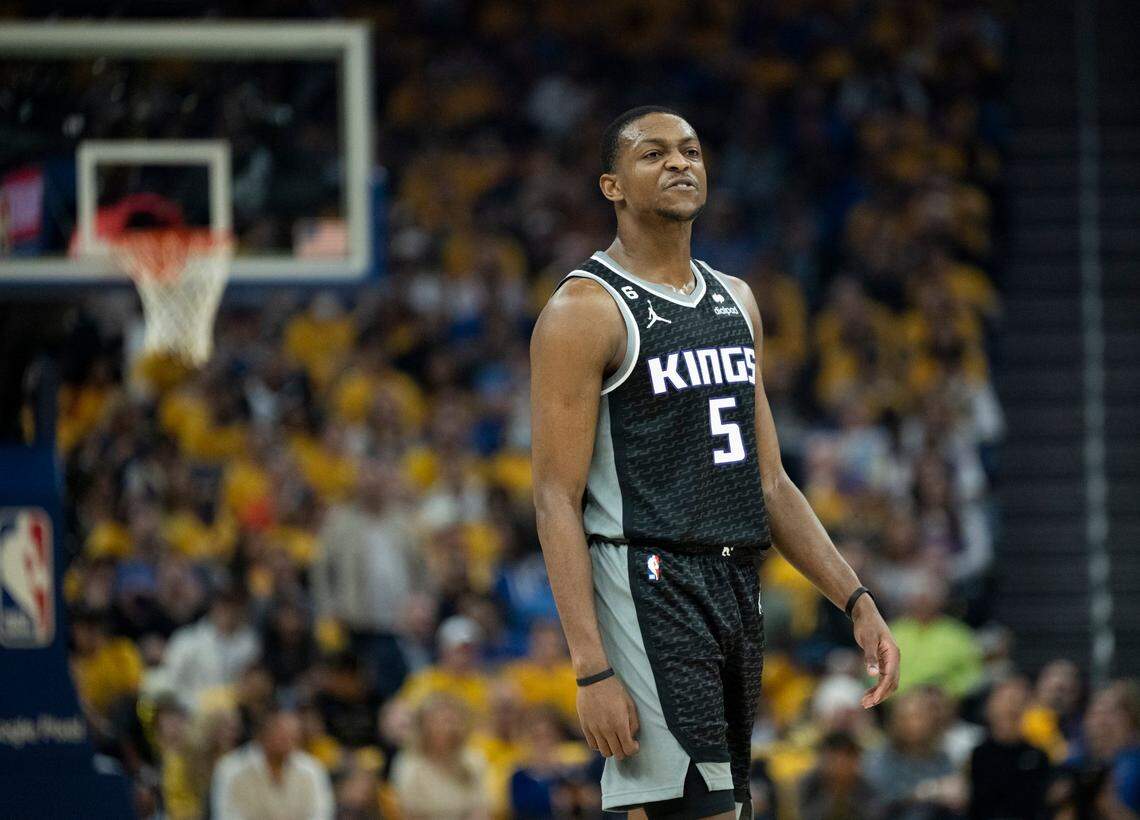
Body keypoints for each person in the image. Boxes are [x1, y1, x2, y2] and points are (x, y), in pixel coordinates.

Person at [529, 106, 900, 820]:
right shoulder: (585, 309)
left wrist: (856, 599)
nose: (679, 163)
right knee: (699, 808)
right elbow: (553, 499)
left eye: (692, 150)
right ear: (611, 185)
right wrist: (589, 666)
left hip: (734, 582)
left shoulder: (738, 301)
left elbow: (769, 482)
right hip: (646, 581)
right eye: (654, 153)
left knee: (710, 806)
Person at [211, 706, 334, 820]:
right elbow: (226, 815)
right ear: (262, 734)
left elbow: (321, 814)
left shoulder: (312, 768)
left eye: (293, 736)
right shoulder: (231, 768)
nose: (288, 742)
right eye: (282, 736)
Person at [967, 677, 1051, 820]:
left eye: (1019, 701)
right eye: (1006, 700)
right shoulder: (976, 754)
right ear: (990, 707)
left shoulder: (1038, 756)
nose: (1011, 707)